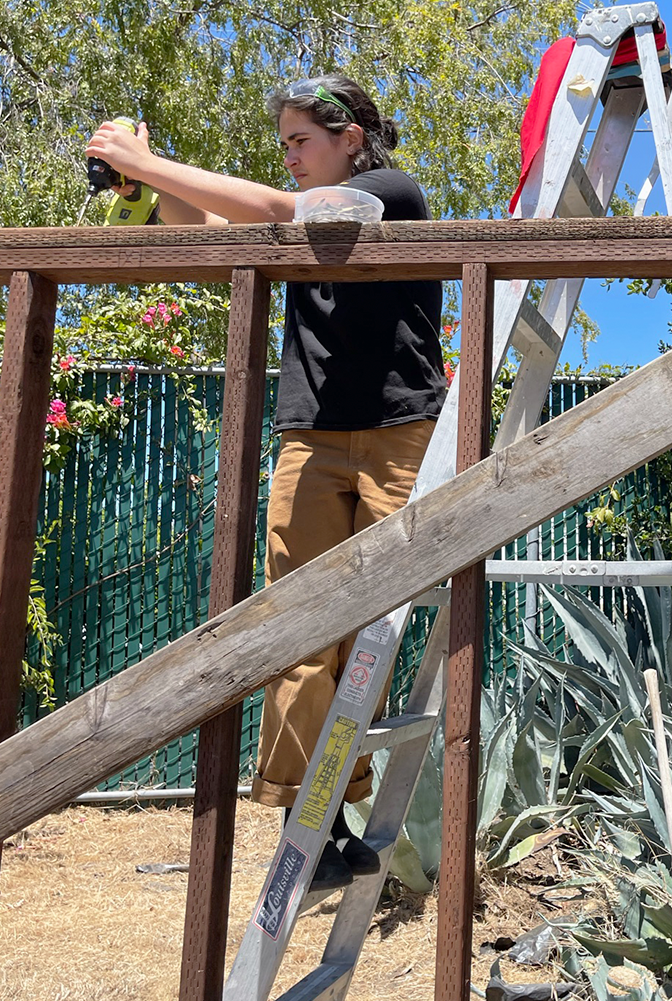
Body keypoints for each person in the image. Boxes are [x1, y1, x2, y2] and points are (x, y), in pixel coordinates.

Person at [86, 75, 446, 887]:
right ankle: (308, 819)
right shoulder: (295, 212)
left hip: (399, 430)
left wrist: (150, 157)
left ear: (351, 136)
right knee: (301, 630)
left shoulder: (387, 191)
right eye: (283, 144)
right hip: (310, 437)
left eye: (300, 141)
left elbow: (283, 213)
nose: (289, 158)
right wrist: (147, 180)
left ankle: (334, 801)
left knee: (373, 630)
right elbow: (208, 228)